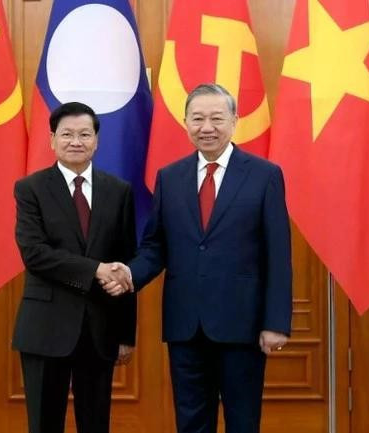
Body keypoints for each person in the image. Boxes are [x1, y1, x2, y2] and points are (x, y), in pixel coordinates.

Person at [105, 84, 292, 433]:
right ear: (186, 123)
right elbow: (156, 246)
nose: (207, 127)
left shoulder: (264, 175)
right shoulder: (169, 177)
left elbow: (278, 254)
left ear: (235, 121)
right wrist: (128, 273)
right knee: (191, 422)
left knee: (243, 421)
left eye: (217, 118)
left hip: (243, 325)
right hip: (185, 325)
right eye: (198, 118)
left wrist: (276, 321)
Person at [12, 102, 137, 433]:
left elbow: (126, 263)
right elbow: (35, 254)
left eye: (85, 134)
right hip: (45, 327)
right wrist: (95, 269)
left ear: (96, 140)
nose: (76, 141)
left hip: (100, 328)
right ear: (52, 139)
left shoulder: (119, 191)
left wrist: (126, 334)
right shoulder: (30, 189)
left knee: (96, 423)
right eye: (66, 134)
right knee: (44, 423)